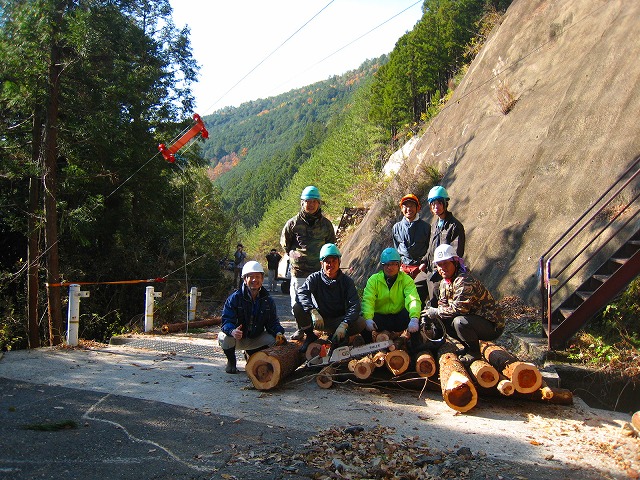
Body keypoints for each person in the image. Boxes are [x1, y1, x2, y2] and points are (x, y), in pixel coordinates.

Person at [422, 244, 504, 365]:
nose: (442, 268)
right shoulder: (445, 283)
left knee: (459, 321)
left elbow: (460, 309)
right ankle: (466, 346)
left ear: (455, 262)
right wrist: (430, 315)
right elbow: (443, 306)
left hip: (491, 325)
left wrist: (436, 312)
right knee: (444, 318)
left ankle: (474, 352)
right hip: (473, 321)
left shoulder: (464, 280)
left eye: (446, 263)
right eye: (439, 265)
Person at [281, 186, 336, 341]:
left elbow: (331, 245)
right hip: (300, 271)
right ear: (302, 203)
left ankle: (322, 329)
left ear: (319, 203)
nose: (310, 205)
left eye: (314, 201)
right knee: (298, 303)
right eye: (307, 201)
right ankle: (301, 329)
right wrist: (294, 256)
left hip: (320, 272)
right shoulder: (293, 223)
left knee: (320, 302)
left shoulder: (326, 225)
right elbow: (285, 244)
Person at [294, 243, 365, 353]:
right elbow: (301, 294)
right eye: (327, 261)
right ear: (321, 263)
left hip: (339, 321)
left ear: (339, 262)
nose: (331, 264)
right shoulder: (314, 278)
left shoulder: (347, 282)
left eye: (334, 261)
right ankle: (310, 336)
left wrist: (344, 324)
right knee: (298, 307)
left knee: (360, 322)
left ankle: (340, 339)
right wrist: (312, 311)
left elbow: (355, 305)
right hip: (320, 320)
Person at [218, 261, 287, 374]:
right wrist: (232, 330)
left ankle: (253, 354)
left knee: (274, 339)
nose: (255, 280)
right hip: (238, 339)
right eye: (251, 277)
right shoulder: (234, 298)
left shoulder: (268, 300)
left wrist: (279, 332)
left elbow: (272, 323)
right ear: (245, 279)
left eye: (257, 277)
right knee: (225, 337)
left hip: (256, 338)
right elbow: (226, 321)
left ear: (262, 279)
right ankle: (231, 361)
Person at [415, 186, 466, 307]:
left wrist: (442, 270)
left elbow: (456, 254)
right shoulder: (435, 224)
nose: (436, 207)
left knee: (435, 298)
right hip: (429, 268)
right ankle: (417, 320)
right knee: (414, 288)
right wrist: (424, 261)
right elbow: (430, 248)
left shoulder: (455, 226)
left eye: (439, 203)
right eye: (433, 204)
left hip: (443, 271)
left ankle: (436, 324)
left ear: (445, 204)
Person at [361, 248, 422, 348]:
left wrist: (414, 318)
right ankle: (369, 348)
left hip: (399, 318)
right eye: (387, 264)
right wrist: (368, 318)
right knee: (361, 320)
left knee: (416, 316)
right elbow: (368, 300)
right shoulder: (374, 280)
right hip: (380, 319)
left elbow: (413, 298)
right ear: (383, 266)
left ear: (399, 264)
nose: (390, 267)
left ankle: (416, 348)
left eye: (393, 264)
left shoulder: (406, 280)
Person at [392, 194, 431, 279]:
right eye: (405, 206)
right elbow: (396, 249)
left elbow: (430, 248)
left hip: (421, 268)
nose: (409, 209)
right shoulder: (396, 228)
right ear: (402, 209)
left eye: (412, 206)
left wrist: (425, 263)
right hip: (403, 269)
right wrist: (399, 266)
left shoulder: (426, 227)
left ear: (418, 208)